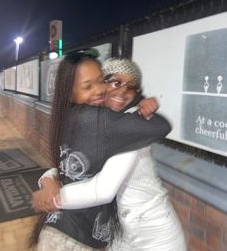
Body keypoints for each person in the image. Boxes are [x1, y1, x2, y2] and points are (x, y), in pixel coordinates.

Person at [35, 57, 186, 251]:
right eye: (114, 82)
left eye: (131, 86)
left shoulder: (129, 128)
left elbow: (102, 189)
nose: (122, 90)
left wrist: (52, 199)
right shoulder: (98, 125)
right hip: (118, 234)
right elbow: (77, 166)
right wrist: (47, 179)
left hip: (154, 231)